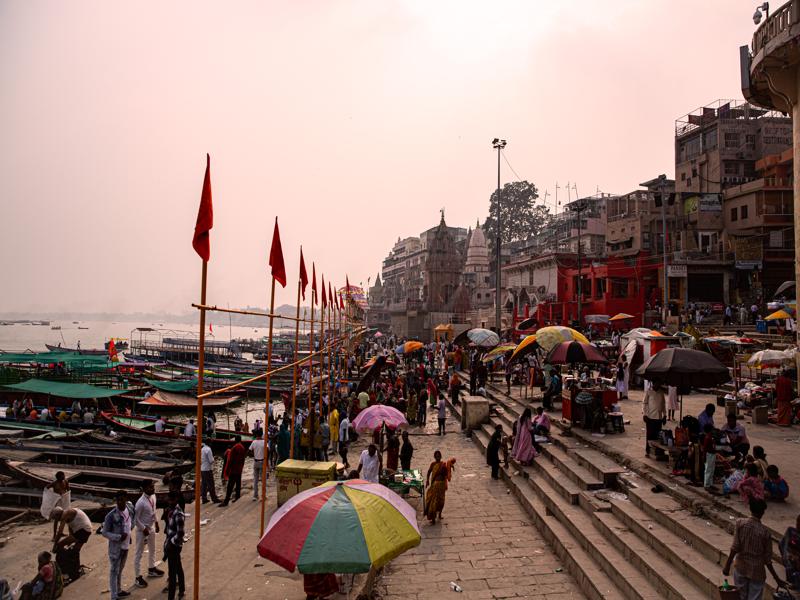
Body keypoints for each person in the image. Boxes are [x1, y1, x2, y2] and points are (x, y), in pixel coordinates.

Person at [723, 498, 785, 597]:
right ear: (762, 513)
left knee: (741, 596)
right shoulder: (765, 533)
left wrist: (727, 565)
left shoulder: (740, 523)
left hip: (741, 567)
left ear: (750, 509)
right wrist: (776, 578)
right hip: (757, 572)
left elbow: (735, 547)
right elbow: (767, 560)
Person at [102, 490, 133, 600]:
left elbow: (130, 524)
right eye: (118, 500)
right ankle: (114, 596)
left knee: (120, 570)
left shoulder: (129, 509)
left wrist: (129, 536)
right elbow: (104, 532)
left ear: (126, 499)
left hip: (125, 546)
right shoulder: (111, 516)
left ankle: (118, 591)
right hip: (116, 548)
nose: (119, 502)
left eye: (122, 500)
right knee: (114, 571)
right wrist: (118, 537)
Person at [133, 480, 163, 588]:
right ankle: (138, 577)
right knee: (139, 553)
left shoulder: (153, 496)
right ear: (144, 488)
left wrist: (157, 522)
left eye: (153, 486)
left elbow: (154, 511)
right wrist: (143, 528)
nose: (153, 488)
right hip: (142, 531)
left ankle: (152, 568)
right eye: (150, 487)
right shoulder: (140, 503)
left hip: (151, 527)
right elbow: (135, 519)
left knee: (152, 549)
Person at [163, 490, 185, 600]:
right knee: (178, 568)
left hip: (174, 546)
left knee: (172, 574)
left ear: (176, 500)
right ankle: (182, 589)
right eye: (169, 500)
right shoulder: (170, 510)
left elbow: (180, 533)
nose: (169, 502)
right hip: (171, 544)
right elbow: (169, 528)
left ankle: (171, 597)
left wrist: (171, 543)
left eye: (171, 500)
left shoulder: (178, 514)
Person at [220, 436, 246, 506]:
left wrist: (227, 470)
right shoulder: (242, 447)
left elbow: (230, 460)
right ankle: (237, 497)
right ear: (240, 440)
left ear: (235, 440)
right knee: (238, 484)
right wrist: (241, 467)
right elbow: (243, 459)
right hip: (239, 469)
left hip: (233, 470)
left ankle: (226, 501)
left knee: (230, 486)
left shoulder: (234, 448)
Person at [424, 450, 448, 524]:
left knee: (441, 500)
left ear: (440, 456)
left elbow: (446, 475)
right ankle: (433, 518)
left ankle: (440, 514)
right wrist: (427, 480)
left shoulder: (443, 464)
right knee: (433, 501)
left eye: (439, 456)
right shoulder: (433, 464)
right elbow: (429, 472)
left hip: (442, 485)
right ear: (434, 457)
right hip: (435, 485)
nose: (438, 457)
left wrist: (446, 484)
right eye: (436, 456)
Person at [642, 384, 666, 458]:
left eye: (659, 383)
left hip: (659, 418)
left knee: (658, 436)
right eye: (656, 383)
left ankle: (657, 451)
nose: (657, 384)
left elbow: (663, 405)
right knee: (649, 435)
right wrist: (644, 414)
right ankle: (648, 451)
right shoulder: (649, 391)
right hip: (650, 417)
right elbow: (644, 403)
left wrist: (665, 415)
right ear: (653, 383)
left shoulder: (661, 393)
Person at [779, 513, 800, 590]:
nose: (797, 525)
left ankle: (795, 582)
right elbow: (782, 544)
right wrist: (788, 555)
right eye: (797, 522)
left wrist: (797, 558)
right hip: (790, 555)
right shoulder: (791, 531)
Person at [249, 433, 266, 501]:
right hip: (262, 461)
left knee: (255, 480)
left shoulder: (254, 442)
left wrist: (254, 455)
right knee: (263, 480)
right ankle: (263, 495)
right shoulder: (264, 442)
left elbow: (249, 451)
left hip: (256, 462)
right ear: (261, 435)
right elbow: (268, 450)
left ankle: (255, 496)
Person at [701, 424, 717, 491]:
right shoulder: (707, 438)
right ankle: (707, 485)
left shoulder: (710, 437)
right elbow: (705, 448)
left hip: (712, 454)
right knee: (708, 470)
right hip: (709, 455)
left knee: (712, 469)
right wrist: (704, 456)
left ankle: (710, 484)